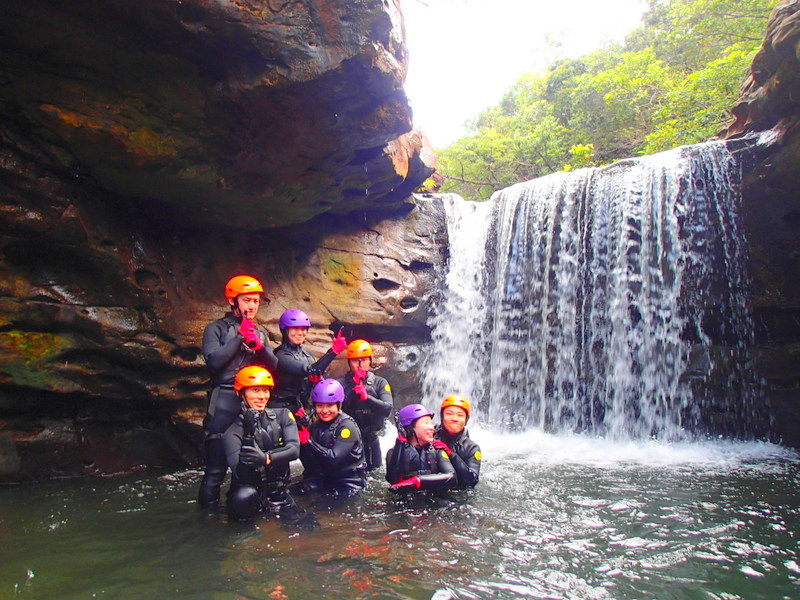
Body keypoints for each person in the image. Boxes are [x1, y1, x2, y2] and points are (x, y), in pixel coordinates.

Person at [198, 275, 278, 511]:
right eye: (247, 300)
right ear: (233, 301)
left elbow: (274, 368)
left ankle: (240, 509)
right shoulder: (215, 329)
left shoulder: (260, 333)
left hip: (251, 404)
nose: (252, 306)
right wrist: (240, 337)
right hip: (223, 401)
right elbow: (214, 362)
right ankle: (207, 519)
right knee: (215, 469)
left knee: (248, 467)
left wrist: (259, 346)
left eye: (255, 301)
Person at [221, 366, 301, 521]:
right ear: (241, 394)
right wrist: (248, 437)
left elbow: (294, 449)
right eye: (255, 390)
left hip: (279, 493)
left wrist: (266, 458)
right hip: (250, 497)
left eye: (265, 390)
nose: (262, 396)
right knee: (243, 496)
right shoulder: (232, 430)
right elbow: (240, 473)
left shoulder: (283, 415)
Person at [270, 309, 347, 434]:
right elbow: (311, 370)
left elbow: (318, 382)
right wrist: (333, 351)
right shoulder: (280, 355)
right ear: (285, 330)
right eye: (295, 329)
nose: (300, 333)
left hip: (301, 411)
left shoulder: (308, 356)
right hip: (279, 410)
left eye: (303, 329)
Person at [298, 378, 366, 508]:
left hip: (348, 483)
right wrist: (299, 429)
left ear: (338, 405)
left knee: (316, 509)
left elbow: (334, 458)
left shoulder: (347, 427)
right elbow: (308, 459)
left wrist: (309, 441)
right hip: (325, 480)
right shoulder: (316, 426)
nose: (324, 411)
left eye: (329, 405)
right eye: (320, 406)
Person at [338, 339, 393, 472]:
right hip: (348, 441)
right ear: (349, 363)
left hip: (371, 439)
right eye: (355, 360)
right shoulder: (340, 384)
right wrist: (353, 389)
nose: (360, 364)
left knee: (374, 474)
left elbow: (387, 409)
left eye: (364, 360)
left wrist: (366, 397)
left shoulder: (380, 383)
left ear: (370, 361)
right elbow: (337, 410)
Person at [385, 404, 455, 493]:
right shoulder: (393, 453)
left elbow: (452, 477)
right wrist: (400, 443)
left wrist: (419, 480)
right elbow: (392, 479)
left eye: (431, 423)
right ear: (410, 429)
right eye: (426, 423)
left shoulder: (437, 450)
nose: (431, 428)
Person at [433, 395, 481, 489]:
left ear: (466, 419)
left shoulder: (472, 448)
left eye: (460, 415)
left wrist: (451, 454)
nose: (455, 418)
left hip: (457, 494)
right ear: (442, 416)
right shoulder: (430, 435)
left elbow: (472, 481)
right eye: (449, 414)